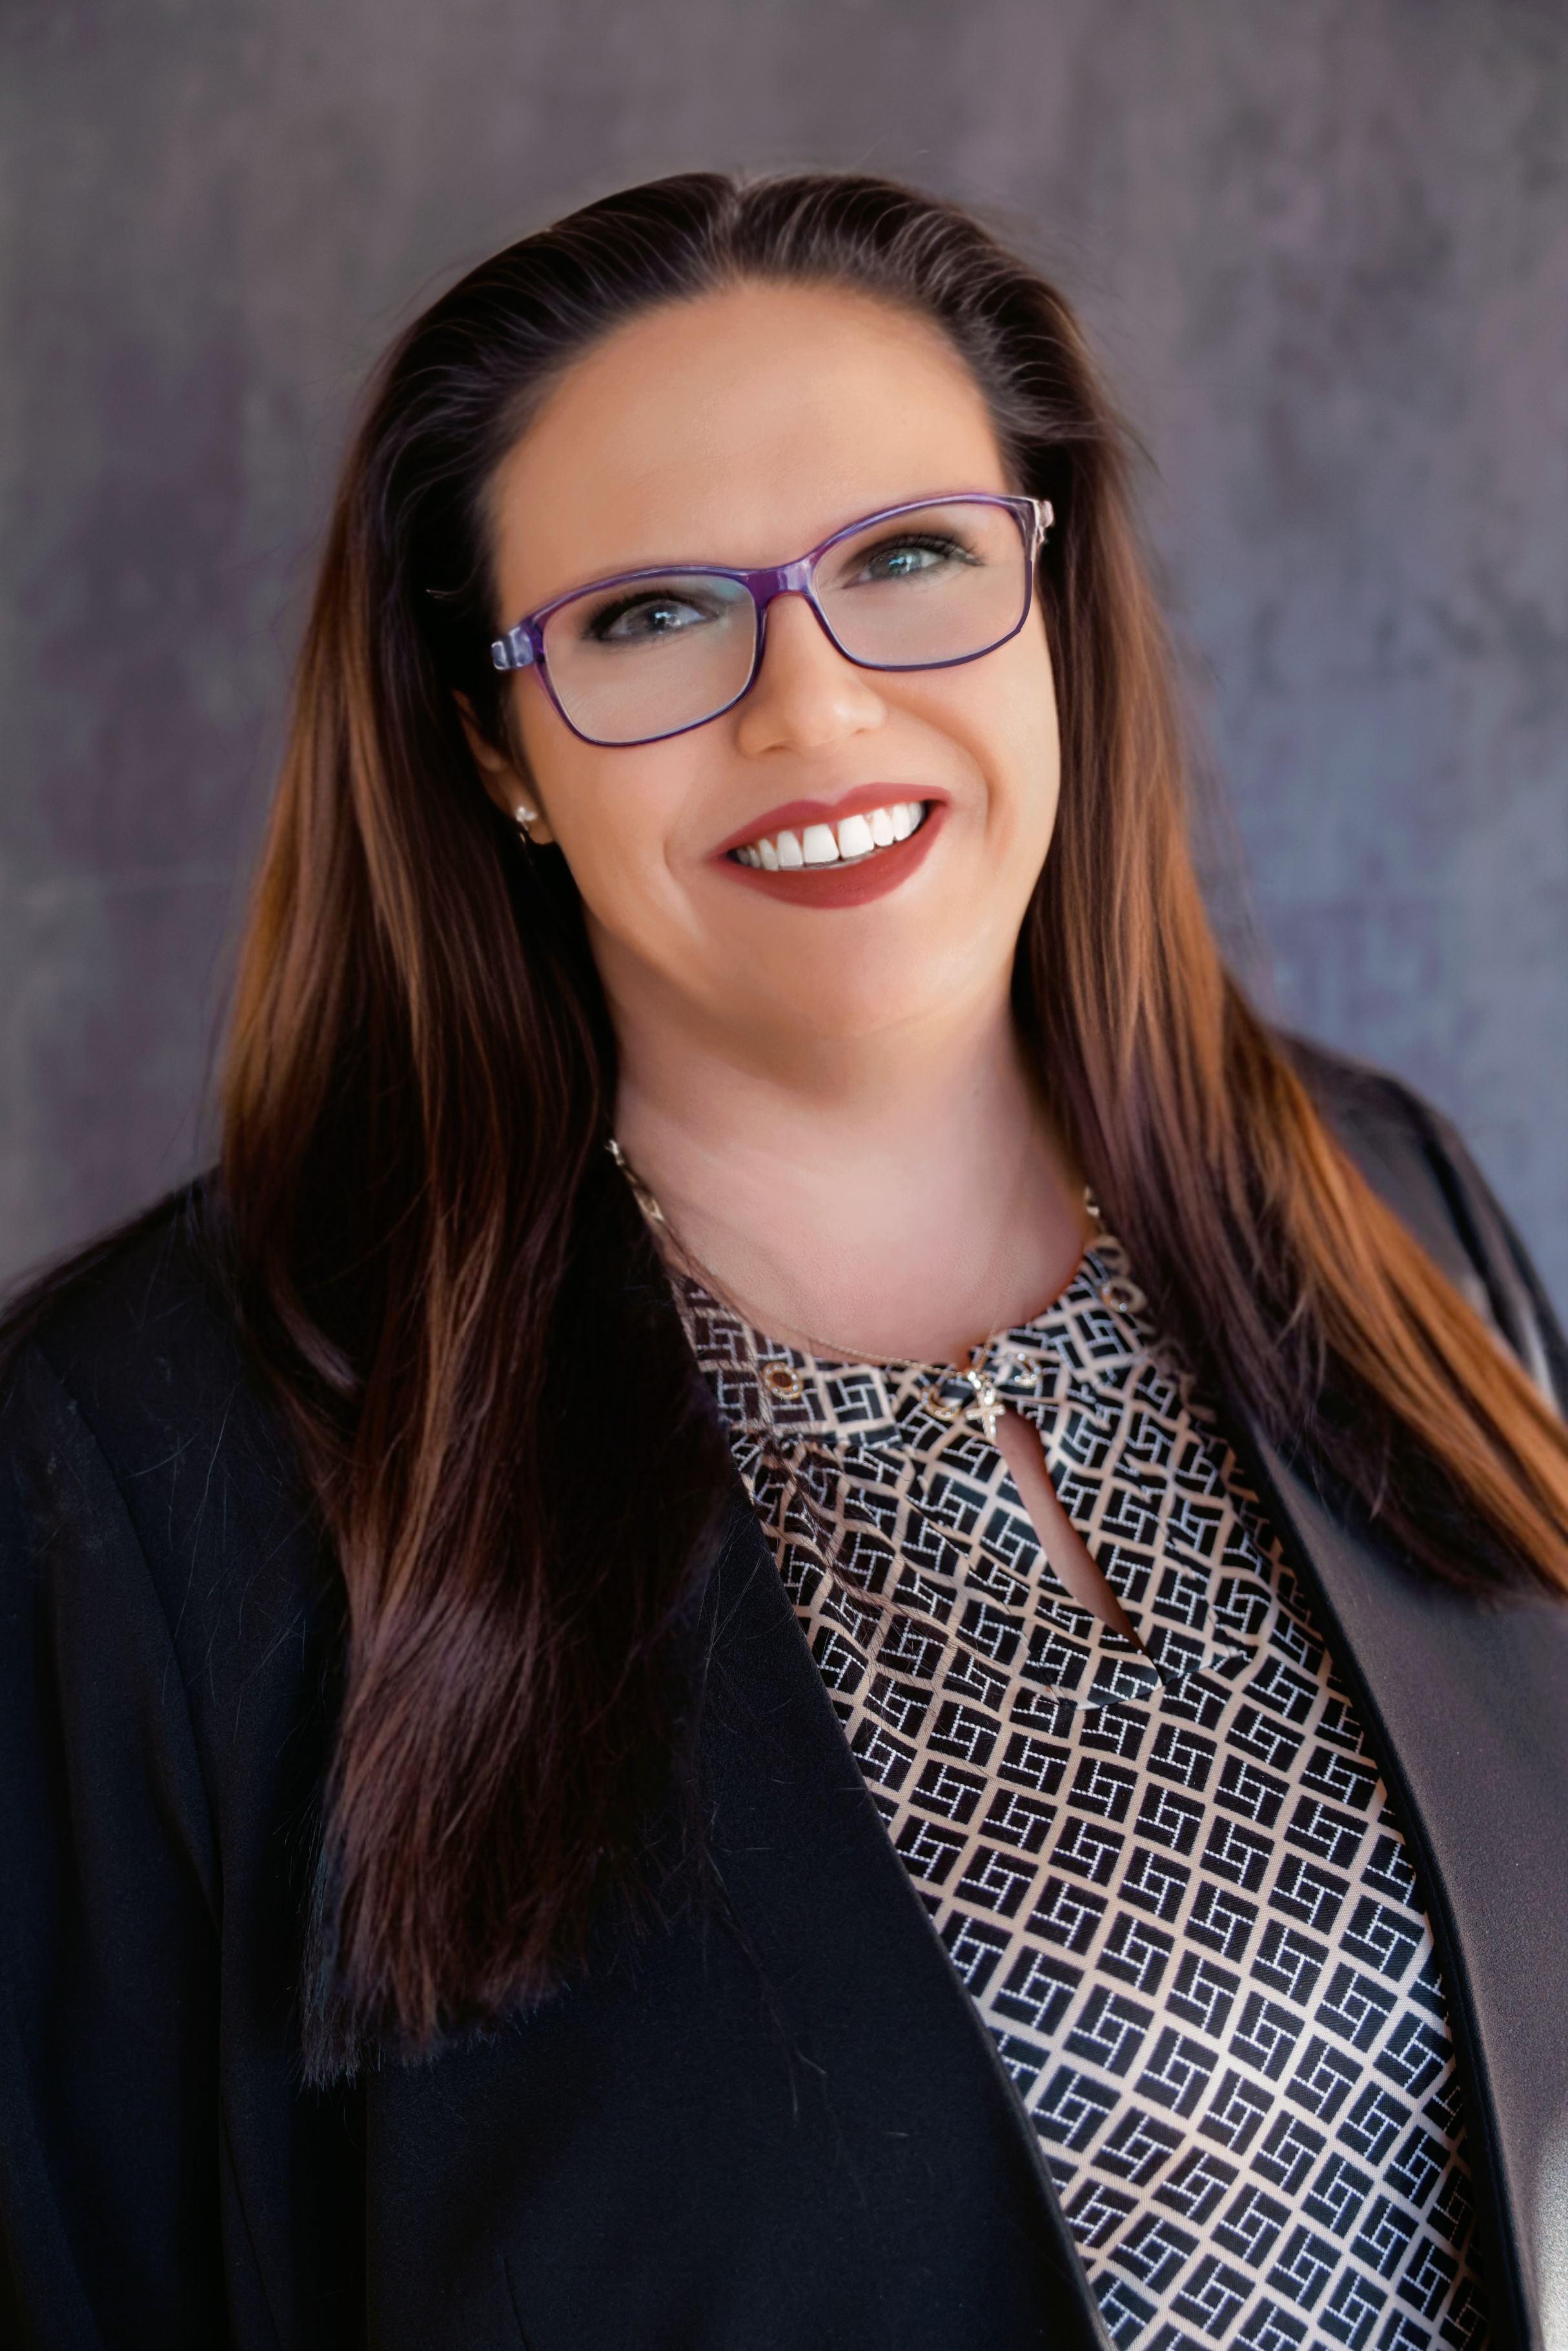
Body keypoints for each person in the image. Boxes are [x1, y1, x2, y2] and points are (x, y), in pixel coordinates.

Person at [2, 169, 1565, 2351]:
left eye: (913, 558)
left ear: (1055, 605)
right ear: (494, 743)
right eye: (651, 616)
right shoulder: (152, 1465)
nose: (814, 712)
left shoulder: (1387, 1207)